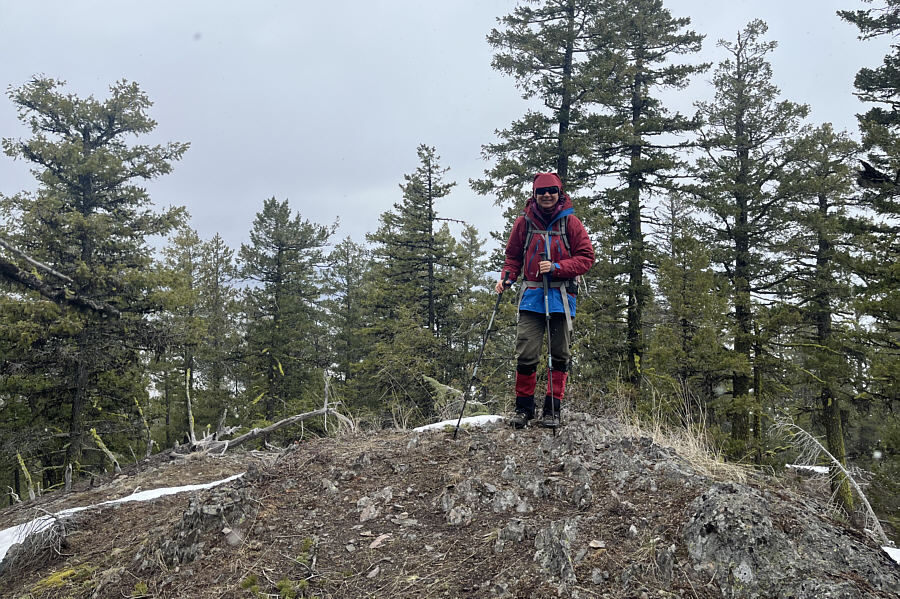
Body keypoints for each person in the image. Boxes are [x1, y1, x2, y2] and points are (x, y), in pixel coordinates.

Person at [495, 173, 595, 428]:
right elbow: (513, 257)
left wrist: (557, 267)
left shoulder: (570, 222)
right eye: (541, 191)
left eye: (552, 190)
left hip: (562, 297)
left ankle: (553, 410)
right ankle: (523, 409)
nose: (547, 195)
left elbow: (586, 258)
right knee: (526, 353)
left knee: (559, 354)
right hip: (532, 297)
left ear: (559, 193)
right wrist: (507, 278)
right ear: (534, 194)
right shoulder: (524, 223)